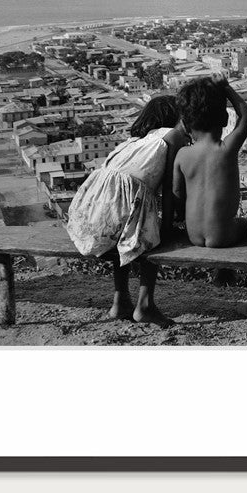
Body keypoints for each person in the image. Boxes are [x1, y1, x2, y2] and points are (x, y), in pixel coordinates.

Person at [65, 95, 187, 326]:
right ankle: (145, 305)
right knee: (151, 239)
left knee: (122, 234)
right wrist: (169, 224)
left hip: (89, 214)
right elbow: (171, 189)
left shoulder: (131, 143)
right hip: (119, 204)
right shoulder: (171, 136)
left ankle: (120, 300)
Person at [173, 76, 247, 248]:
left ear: (186, 126)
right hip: (223, 235)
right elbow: (246, 115)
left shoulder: (182, 155)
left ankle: (223, 272)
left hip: (192, 234)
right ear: (225, 119)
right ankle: (230, 272)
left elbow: (177, 192)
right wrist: (226, 87)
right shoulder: (226, 149)